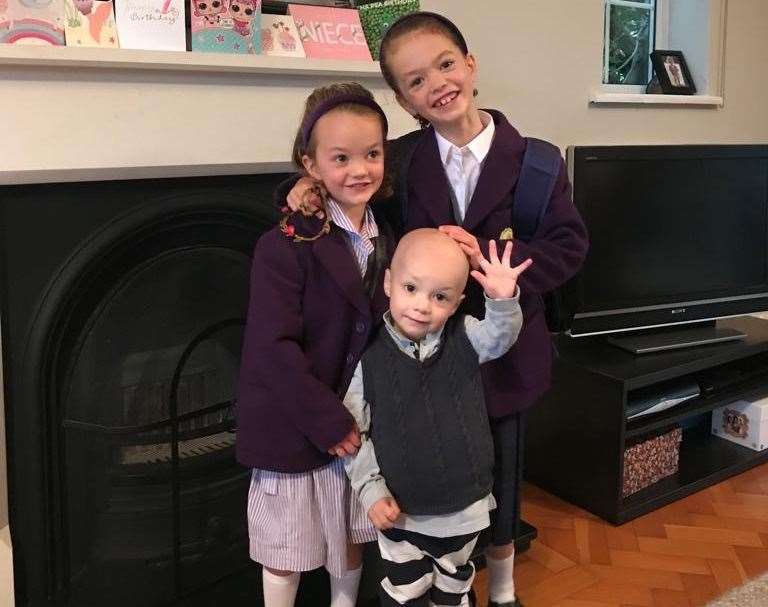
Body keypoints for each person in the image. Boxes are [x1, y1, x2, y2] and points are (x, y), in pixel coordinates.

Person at [284, 13, 589, 606]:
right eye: (416, 81)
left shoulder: (539, 162)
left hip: (502, 356)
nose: (438, 85)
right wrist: (302, 193)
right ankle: (420, 570)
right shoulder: (395, 161)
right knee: (428, 465)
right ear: (403, 99)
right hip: (418, 358)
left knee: (499, 474)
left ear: (470, 65)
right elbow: (347, 180)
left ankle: (500, 585)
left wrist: (498, 260)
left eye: (446, 65)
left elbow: (569, 247)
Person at [236, 82, 395, 607]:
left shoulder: (386, 236)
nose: (360, 170)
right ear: (312, 163)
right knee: (286, 543)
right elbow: (271, 348)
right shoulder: (284, 246)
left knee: (347, 532)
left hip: (358, 423)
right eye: (341, 158)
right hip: (297, 423)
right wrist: (325, 420)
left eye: (372, 154)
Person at [343, 228, 531, 607]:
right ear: (389, 283)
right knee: (405, 592)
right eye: (411, 289)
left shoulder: (464, 336)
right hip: (399, 513)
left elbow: (500, 336)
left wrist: (502, 299)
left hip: (465, 509)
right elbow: (353, 433)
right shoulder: (370, 359)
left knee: (455, 586)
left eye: (440, 296)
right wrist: (370, 490)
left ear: (458, 302)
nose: (422, 306)